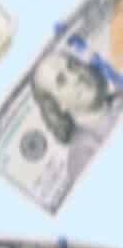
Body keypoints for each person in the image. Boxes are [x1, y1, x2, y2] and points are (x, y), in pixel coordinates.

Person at [31, 50, 123, 183]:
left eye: (72, 66)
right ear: (58, 105)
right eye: (61, 81)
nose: (75, 77)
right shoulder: (83, 155)